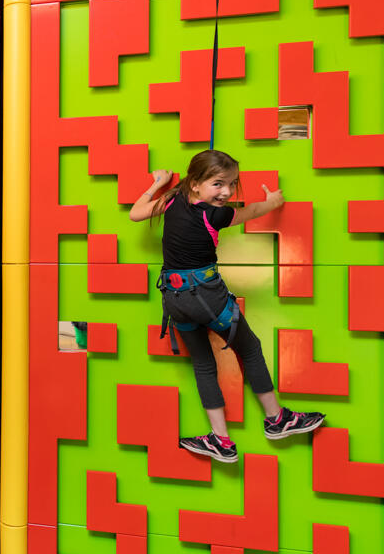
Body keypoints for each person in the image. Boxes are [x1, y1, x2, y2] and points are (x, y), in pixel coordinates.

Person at [129, 150, 324, 462]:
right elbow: (253, 211)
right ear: (194, 184)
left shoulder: (172, 199)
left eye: (232, 184)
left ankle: (220, 440)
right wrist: (273, 202)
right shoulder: (215, 215)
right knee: (250, 348)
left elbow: (136, 213)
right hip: (205, 294)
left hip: (173, 297)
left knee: (204, 364)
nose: (227, 192)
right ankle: (277, 419)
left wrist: (159, 184)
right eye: (218, 184)